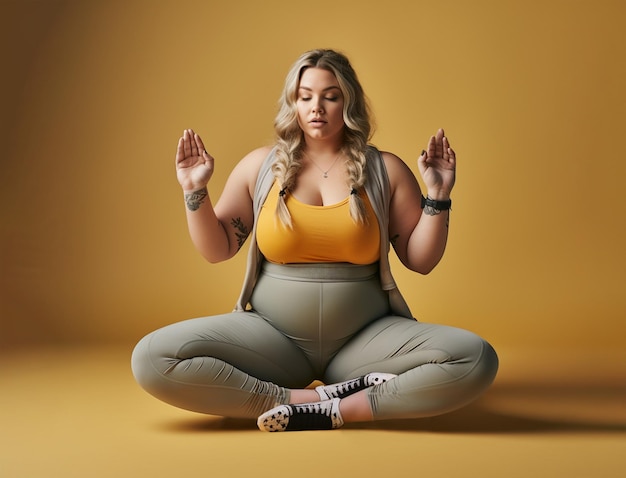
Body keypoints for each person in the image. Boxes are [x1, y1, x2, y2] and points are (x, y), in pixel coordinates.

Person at [131, 49, 498, 432]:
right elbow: (217, 249)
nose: (316, 107)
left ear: (348, 102)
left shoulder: (385, 169)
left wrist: (437, 196)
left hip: (364, 341)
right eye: (305, 96)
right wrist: (195, 191)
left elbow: (421, 260)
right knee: (153, 358)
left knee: (475, 357)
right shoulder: (261, 167)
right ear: (293, 103)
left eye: (330, 96)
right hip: (273, 341)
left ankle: (346, 409)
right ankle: (303, 402)